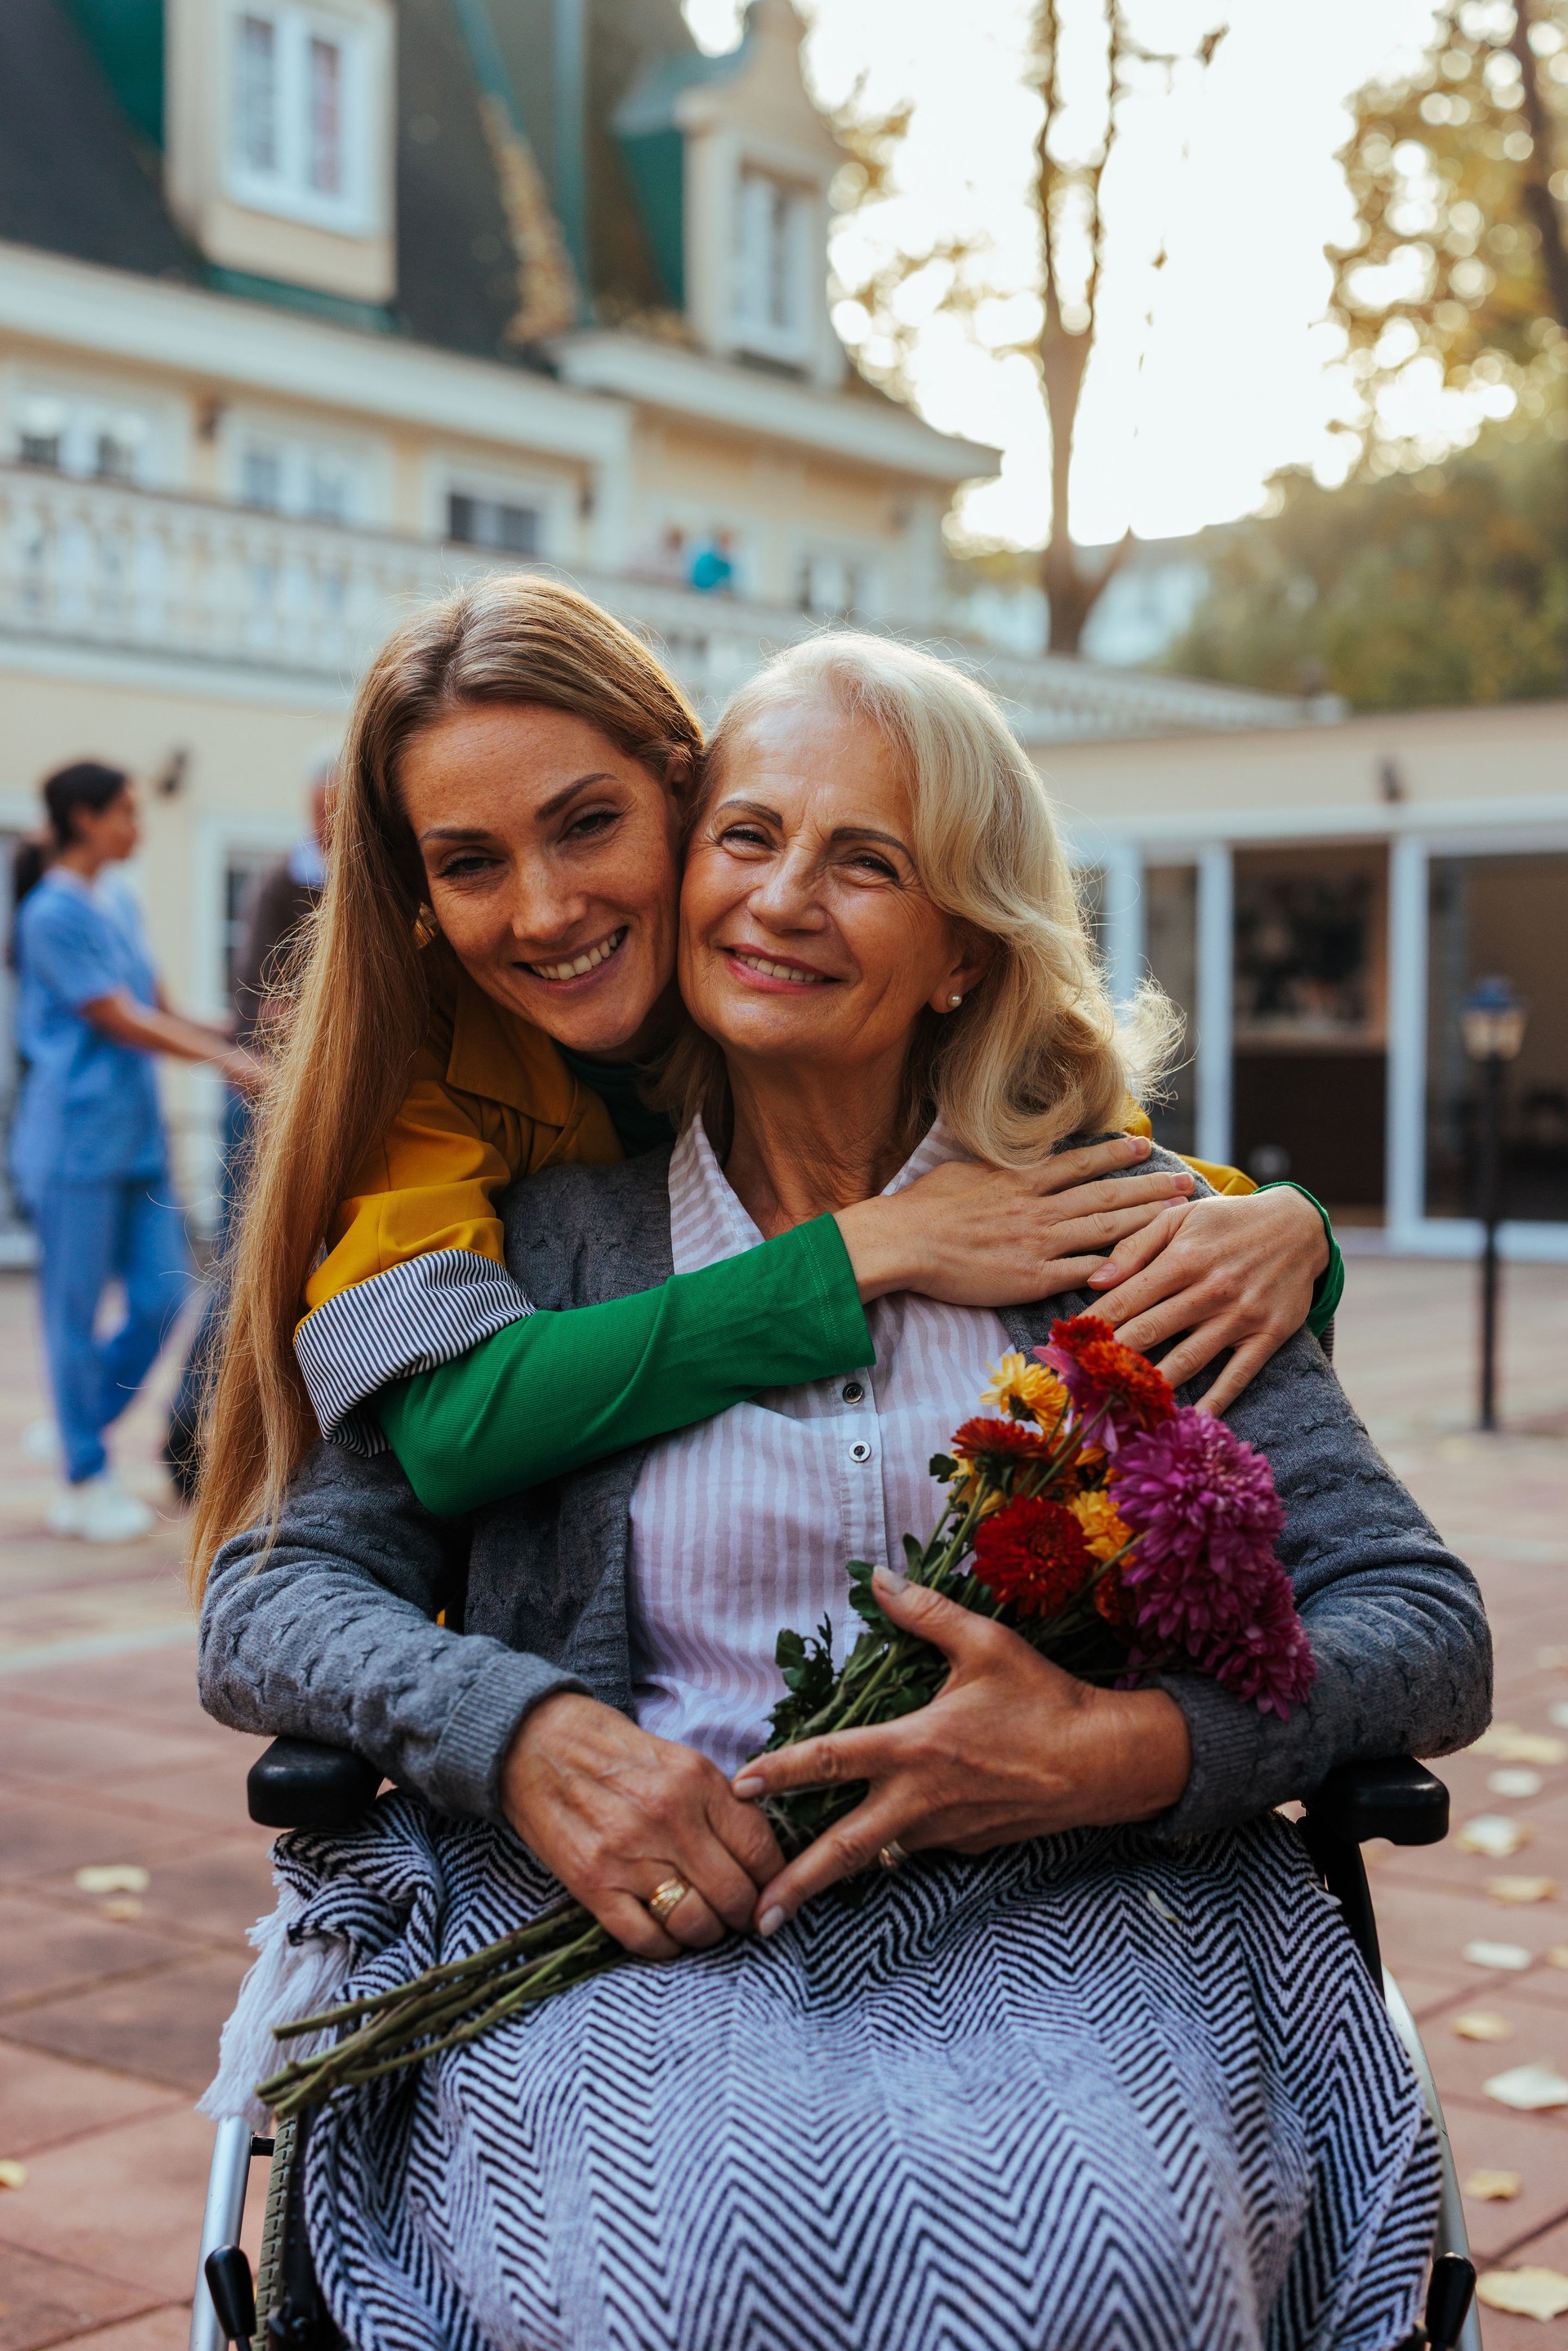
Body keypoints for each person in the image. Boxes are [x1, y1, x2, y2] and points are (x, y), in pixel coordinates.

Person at [198, 635, 1489, 2351]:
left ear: (961, 945)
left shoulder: (1117, 1223)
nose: (782, 899)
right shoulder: (540, 1229)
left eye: (864, 859)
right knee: (663, 2271)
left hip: (1079, 1893)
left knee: (1100, 2259)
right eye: (750, 836)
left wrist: (1124, 1748)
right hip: (639, 1903)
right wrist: (518, 1728)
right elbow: (271, 1591)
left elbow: (1422, 1620)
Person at [190, 578, 1339, 1581]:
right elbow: (449, 1427)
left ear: (687, 798)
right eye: (470, 863)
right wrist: (876, 1243)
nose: (544, 912)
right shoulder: (420, 1080)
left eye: (589, 824)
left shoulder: (788, 984)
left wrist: (1299, 1234)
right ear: (421, 896)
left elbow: (1107, 1189)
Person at [10, 763, 260, 1542]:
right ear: (84, 819)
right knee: (73, 1315)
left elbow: (163, 1006)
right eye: (124, 811)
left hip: (137, 1136)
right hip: (74, 1141)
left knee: (163, 1300)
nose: (138, 825)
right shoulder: (48, 912)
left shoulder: (118, 896)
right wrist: (229, 1063)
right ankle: (83, 1479)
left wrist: (240, 1027)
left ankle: (81, 1418)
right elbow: (118, 1016)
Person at [165, 756, 333, 1498]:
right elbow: (260, 1007)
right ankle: (186, 1433)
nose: (331, 823)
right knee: (246, 1267)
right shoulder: (285, 882)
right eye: (325, 808)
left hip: (305, 1096)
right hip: (266, 1099)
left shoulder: (349, 879)